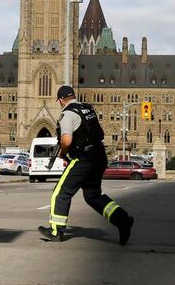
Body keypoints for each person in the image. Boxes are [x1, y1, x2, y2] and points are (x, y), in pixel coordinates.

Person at [38, 85, 134, 244]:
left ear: (61, 100)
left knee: (61, 192)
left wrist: (63, 152)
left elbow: (67, 140)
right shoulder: (87, 108)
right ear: (73, 96)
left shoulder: (67, 114)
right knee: (92, 195)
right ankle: (122, 220)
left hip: (84, 157)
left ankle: (56, 231)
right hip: (99, 155)